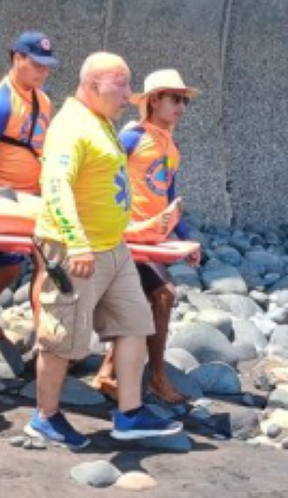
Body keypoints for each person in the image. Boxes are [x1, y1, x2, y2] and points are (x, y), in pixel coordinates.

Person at [26, 52, 183, 449]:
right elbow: (56, 186)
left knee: (135, 323)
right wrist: (76, 243)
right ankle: (44, 417)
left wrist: (142, 227)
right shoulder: (70, 127)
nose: (130, 95)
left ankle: (129, 413)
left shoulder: (102, 123)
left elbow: (105, 188)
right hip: (75, 251)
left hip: (113, 247)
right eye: (122, 84)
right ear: (94, 84)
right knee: (62, 338)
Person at [91, 69, 201, 405]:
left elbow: (169, 195)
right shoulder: (132, 137)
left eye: (184, 100)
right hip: (124, 236)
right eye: (174, 99)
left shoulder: (170, 143)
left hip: (151, 239)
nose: (181, 106)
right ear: (154, 101)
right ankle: (155, 377)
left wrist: (187, 237)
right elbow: (101, 175)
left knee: (144, 299)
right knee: (163, 295)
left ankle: (109, 372)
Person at [0, 31, 56, 340]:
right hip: (2, 200)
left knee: (47, 263)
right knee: (9, 270)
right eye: (37, 65)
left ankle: (45, 334)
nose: (43, 72)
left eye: (47, 67)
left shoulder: (43, 101)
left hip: (34, 198)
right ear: (17, 59)